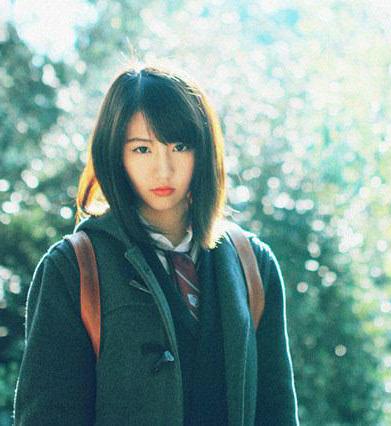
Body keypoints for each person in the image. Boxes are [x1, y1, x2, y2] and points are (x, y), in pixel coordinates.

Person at [13, 66, 299, 425]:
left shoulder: (252, 263)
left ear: (203, 151)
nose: (163, 169)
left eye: (179, 146)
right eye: (142, 149)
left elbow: (276, 409)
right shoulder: (72, 267)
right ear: (116, 153)